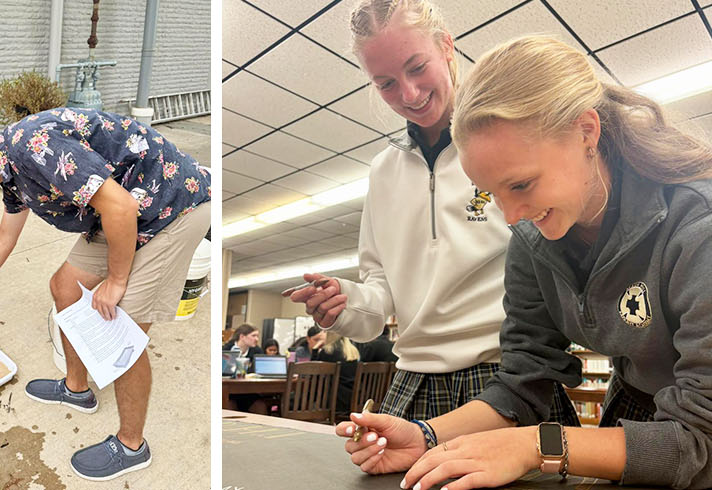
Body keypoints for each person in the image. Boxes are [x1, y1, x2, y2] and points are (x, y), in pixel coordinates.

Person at [343, 35, 712, 489]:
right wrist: (427, 435)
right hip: (638, 421)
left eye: (520, 185)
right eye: (490, 194)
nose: (511, 216)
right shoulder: (534, 235)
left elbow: (700, 440)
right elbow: (524, 382)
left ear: (586, 131)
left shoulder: (698, 228)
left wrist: (535, 446)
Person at [0, 107, 211, 481]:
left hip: (172, 207)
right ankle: (77, 389)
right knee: (64, 286)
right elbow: (5, 236)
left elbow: (120, 205)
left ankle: (132, 446)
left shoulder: (34, 147)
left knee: (121, 331)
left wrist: (116, 279)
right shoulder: (9, 173)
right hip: (124, 210)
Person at [283, 0, 510, 423]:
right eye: (385, 83)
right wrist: (342, 303)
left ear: (447, 47)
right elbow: (378, 299)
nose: (408, 94)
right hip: (412, 376)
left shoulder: (505, 139)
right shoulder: (383, 170)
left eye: (416, 66)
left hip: (505, 372)